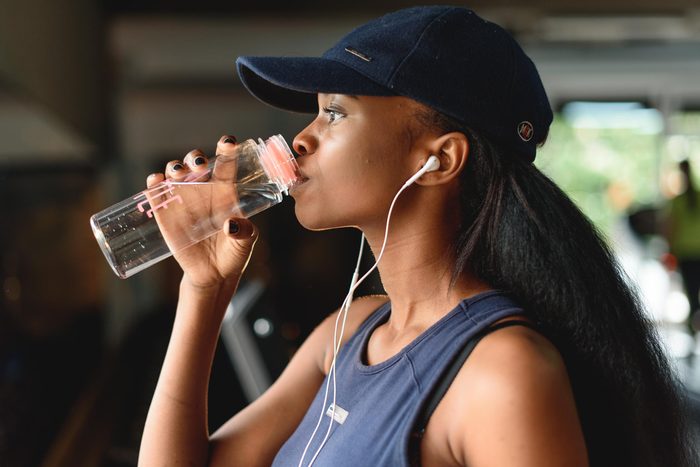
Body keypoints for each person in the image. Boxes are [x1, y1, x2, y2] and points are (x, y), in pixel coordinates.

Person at [138, 6, 697, 467]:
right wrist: (204, 287)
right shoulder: (347, 332)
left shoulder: (502, 373)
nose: (299, 140)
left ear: (439, 160)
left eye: (334, 114)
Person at [666, 160, 700, 329]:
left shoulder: (677, 201)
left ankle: (693, 329)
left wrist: (670, 249)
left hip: (686, 253)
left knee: (692, 293)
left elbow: (671, 228)